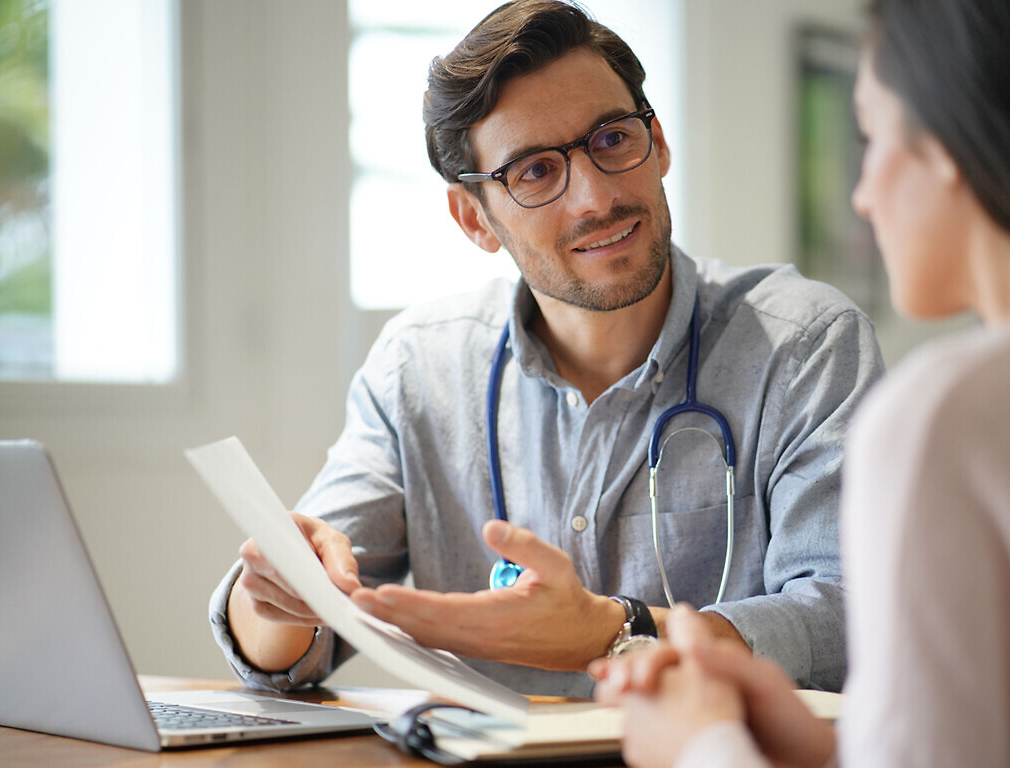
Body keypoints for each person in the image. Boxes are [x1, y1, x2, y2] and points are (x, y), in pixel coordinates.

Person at [209, 0, 884, 698]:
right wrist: (281, 594)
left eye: (613, 139)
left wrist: (614, 632)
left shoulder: (804, 347)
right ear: (474, 219)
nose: (595, 196)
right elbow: (285, 645)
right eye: (534, 172)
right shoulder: (420, 370)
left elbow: (847, 618)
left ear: (658, 141)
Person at [593, 0, 1010, 765]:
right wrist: (820, 747)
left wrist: (700, 744)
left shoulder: (948, 416)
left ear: (951, 144)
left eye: (873, 137)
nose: (862, 195)